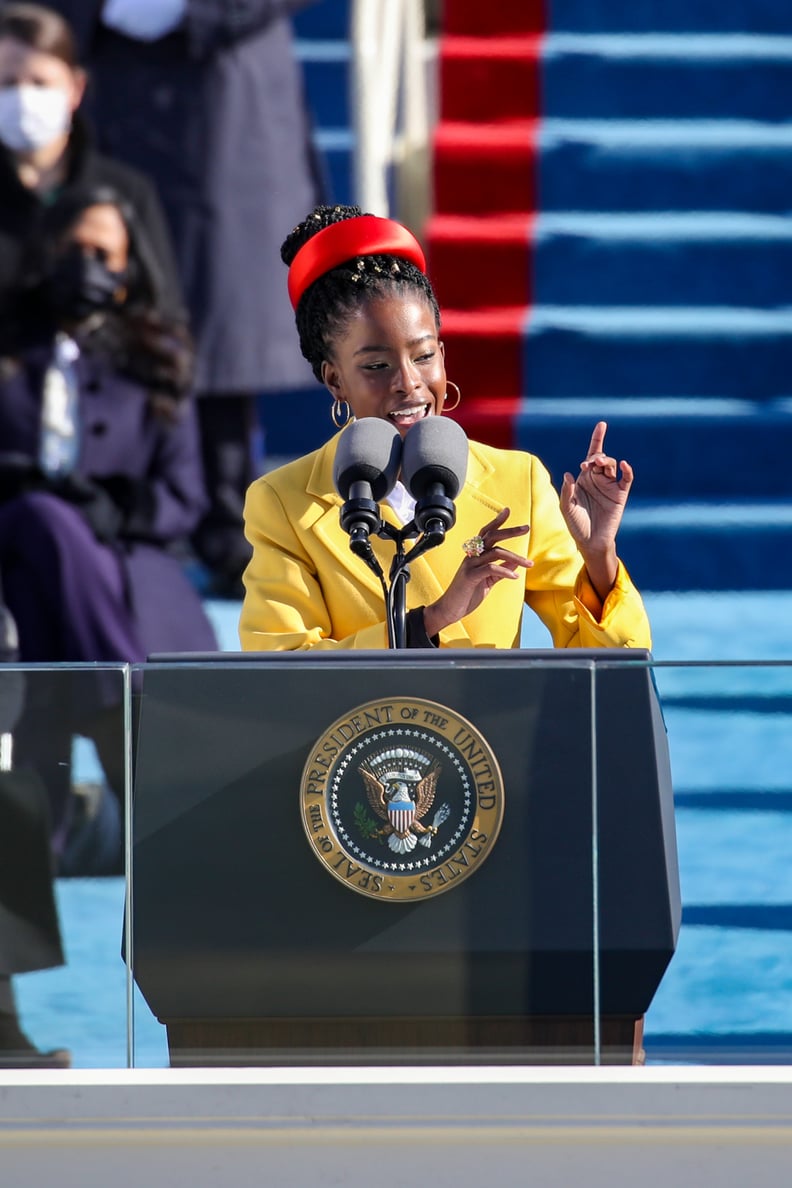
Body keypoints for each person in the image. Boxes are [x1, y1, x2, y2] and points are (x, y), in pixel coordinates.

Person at [239, 204, 651, 653]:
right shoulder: (283, 503)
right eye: (377, 365)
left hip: (491, 724)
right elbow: (278, 668)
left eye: (423, 356)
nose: (409, 383)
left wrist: (599, 558)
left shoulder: (519, 480)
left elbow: (612, 667)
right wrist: (433, 620)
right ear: (334, 379)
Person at [45, 0, 327, 596]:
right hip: (104, 78)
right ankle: (109, 503)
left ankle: (227, 525)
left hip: (221, 86)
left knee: (217, 314)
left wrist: (191, 8)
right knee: (102, 291)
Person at [0, 184, 218, 867]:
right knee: (38, 515)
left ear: (129, 270)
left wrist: (115, 507)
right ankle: (127, 720)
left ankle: (37, 842)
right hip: (12, 543)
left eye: (104, 252)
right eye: (73, 248)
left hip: (123, 562)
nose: (86, 262)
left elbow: (185, 497)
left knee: (47, 580)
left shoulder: (156, 358)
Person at [0, 2, 183, 332]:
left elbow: (166, 323)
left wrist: (112, 303)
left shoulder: (124, 192)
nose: (25, 98)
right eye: (8, 83)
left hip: (94, 378)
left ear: (76, 88)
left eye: (41, 83)